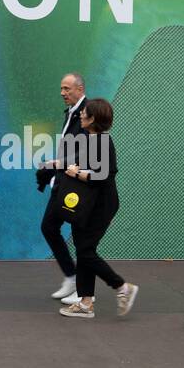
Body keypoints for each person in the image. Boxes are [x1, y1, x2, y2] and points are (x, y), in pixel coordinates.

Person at [57, 98, 139, 319]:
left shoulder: (102, 141)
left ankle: (121, 287)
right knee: (83, 250)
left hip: (101, 206)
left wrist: (75, 173)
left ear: (93, 119)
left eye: (84, 113)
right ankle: (86, 303)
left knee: (85, 251)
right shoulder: (92, 140)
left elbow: (102, 176)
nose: (80, 116)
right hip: (88, 205)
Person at [38, 73, 86, 304]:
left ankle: (84, 289)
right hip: (63, 181)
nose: (62, 93)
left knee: (80, 237)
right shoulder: (70, 111)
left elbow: (87, 151)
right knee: (49, 226)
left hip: (79, 185)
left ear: (80, 88)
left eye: (67, 88)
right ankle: (71, 275)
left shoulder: (88, 112)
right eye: (61, 88)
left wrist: (58, 164)